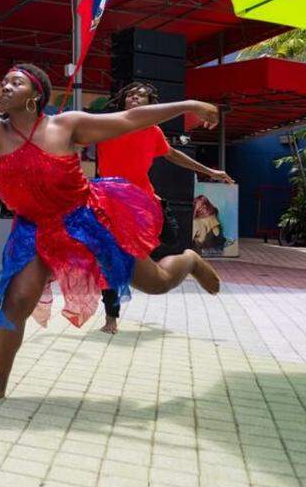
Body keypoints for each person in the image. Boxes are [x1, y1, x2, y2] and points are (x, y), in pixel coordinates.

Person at [0, 24, 222, 405]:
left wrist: (188, 106)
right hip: (34, 230)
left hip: (88, 220)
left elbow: (131, 120)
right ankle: (0, 381)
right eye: (3, 82)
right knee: (15, 300)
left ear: (36, 94)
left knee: (156, 282)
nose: (4, 87)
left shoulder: (67, 126)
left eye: (14, 83)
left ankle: (189, 260)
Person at [95, 81, 235, 334]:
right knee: (110, 261)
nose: (135, 98)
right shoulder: (109, 125)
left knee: (167, 247)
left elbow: (173, 155)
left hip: (147, 206)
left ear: (151, 105)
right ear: (123, 100)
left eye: (142, 96)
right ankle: (111, 318)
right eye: (131, 94)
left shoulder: (153, 132)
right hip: (110, 206)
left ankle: (187, 260)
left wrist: (210, 170)